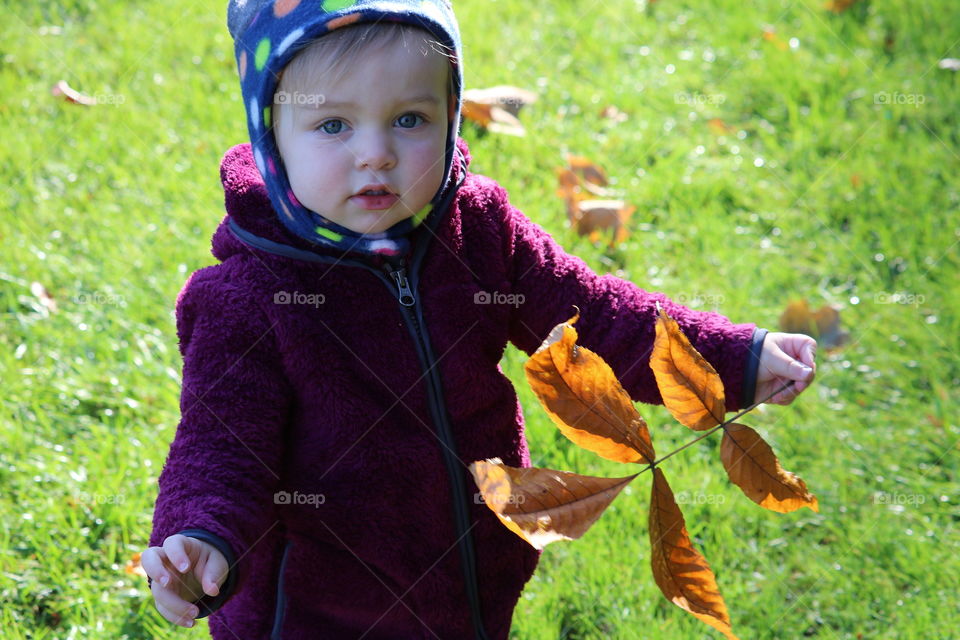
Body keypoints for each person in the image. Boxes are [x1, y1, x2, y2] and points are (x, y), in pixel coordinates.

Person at [141, 1, 818, 638]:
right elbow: (220, 446)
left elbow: (597, 317)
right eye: (332, 125)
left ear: (453, 113)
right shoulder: (249, 298)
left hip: (474, 569)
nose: (375, 153)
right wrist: (199, 539)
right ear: (271, 137)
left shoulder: (479, 230)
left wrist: (732, 358)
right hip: (320, 606)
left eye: (410, 119)